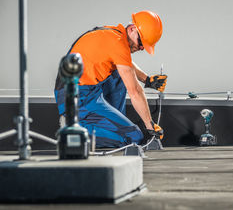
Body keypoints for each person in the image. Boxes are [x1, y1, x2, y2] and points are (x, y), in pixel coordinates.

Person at [54, 11, 167, 147]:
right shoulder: (118, 43)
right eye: (141, 42)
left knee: (119, 74)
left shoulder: (114, 35)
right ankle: (73, 133)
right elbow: (135, 91)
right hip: (77, 97)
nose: (141, 48)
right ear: (132, 29)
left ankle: (113, 124)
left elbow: (126, 64)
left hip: (87, 89)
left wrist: (147, 80)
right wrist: (150, 125)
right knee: (134, 137)